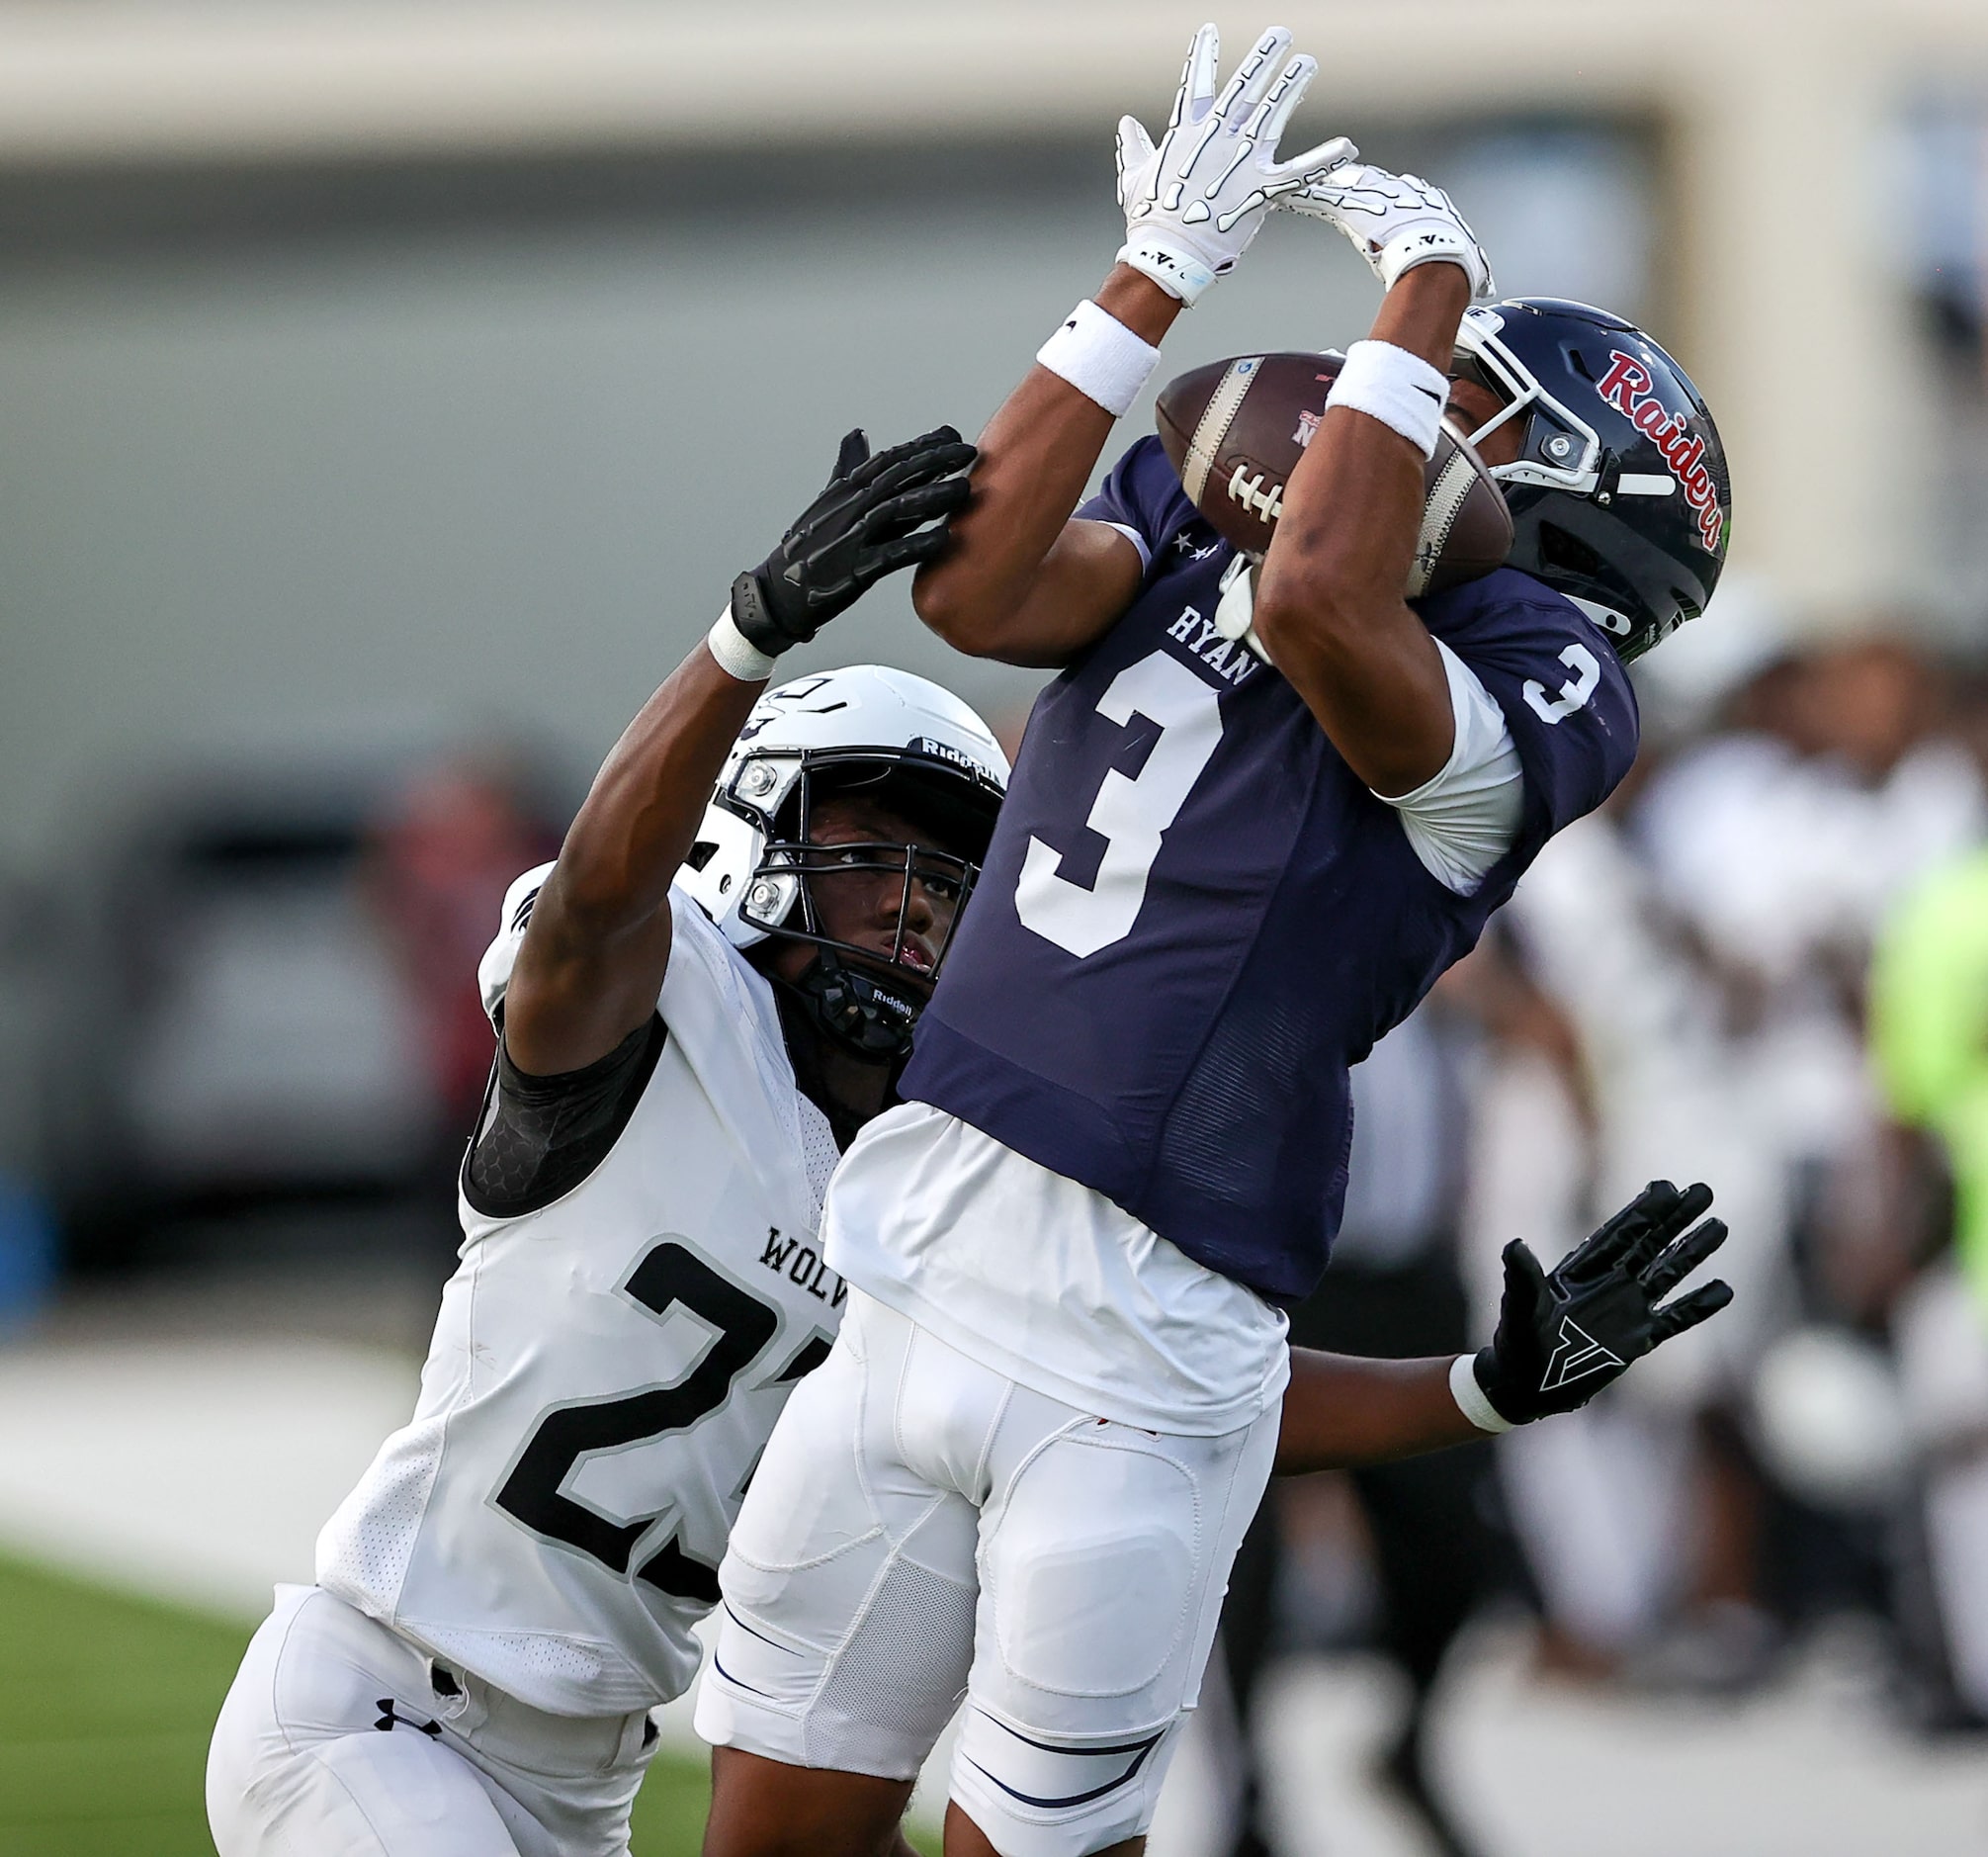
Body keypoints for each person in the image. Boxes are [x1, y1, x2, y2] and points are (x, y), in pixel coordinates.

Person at [695, 22, 1737, 1857]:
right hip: (915, 1250)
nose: (1373, 402)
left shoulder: (1544, 682)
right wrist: (1150, 277)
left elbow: (1332, 594)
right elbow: (980, 587)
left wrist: (1424, 287)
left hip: (1142, 1342)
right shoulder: (1209, 517)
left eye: (1453, 399)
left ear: (1544, 497)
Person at [204, 422, 1004, 1857]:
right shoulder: (657, 1013)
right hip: (382, 1711)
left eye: (946, 883)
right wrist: (747, 636)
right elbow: (589, 905)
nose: (913, 907)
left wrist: (1477, 1390)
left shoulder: (928, 1184)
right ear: (763, 832)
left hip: (589, 1786)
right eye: (878, 853)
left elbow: (1149, 1382)